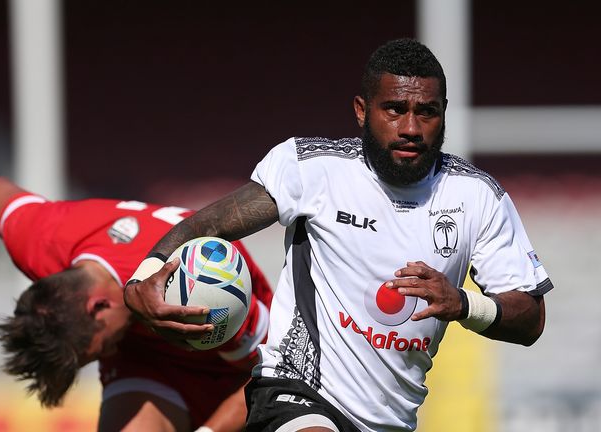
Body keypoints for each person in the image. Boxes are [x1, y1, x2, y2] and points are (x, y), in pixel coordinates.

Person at [123, 38, 553, 432]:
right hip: (297, 392)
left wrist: (463, 303)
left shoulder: (477, 196)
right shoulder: (313, 169)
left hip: (391, 421)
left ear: (443, 113)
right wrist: (141, 279)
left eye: (427, 112)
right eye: (394, 109)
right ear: (362, 111)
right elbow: (207, 224)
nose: (410, 127)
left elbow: (530, 319)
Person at [0, 176, 274, 432]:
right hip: (147, 363)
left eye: (96, 350)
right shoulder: (43, 240)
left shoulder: (194, 288)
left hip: (238, 368)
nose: (101, 357)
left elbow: (269, 371)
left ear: (97, 308)